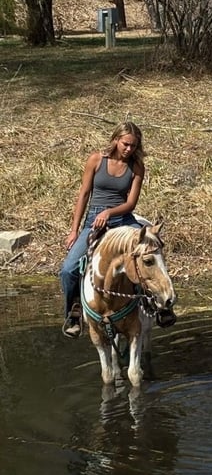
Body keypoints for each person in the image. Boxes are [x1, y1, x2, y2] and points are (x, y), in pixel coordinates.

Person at [60, 121, 146, 338]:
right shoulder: (96, 160)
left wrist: (109, 212)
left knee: (149, 249)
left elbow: (131, 203)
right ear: (116, 140)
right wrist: (74, 230)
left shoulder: (136, 167)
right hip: (94, 219)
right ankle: (74, 313)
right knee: (68, 269)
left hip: (122, 218)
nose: (129, 149)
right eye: (126, 144)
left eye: (133, 146)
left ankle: (157, 304)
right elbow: (84, 195)